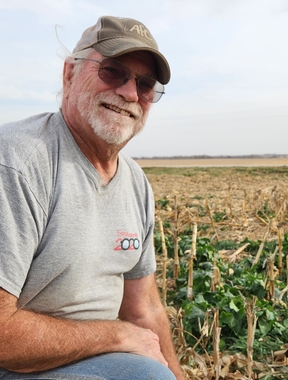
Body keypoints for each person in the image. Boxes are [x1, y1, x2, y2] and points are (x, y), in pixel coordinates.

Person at [0, 16, 185, 380]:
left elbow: (143, 308)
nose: (130, 94)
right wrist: (116, 335)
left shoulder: (134, 181)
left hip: (88, 360)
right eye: (113, 72)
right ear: (70, 74)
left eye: (145, 84)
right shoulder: (18, 162)